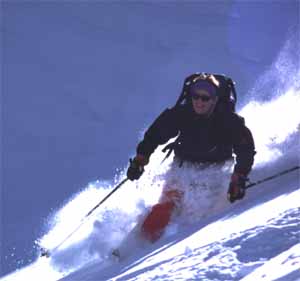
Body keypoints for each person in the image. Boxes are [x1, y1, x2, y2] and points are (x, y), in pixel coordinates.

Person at [126, 73, 255, 243]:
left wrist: (239, 176)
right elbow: (154, 135)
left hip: (214, 172)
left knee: (196, 215)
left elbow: (245, 149)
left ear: (215, 99)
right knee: (164, 208)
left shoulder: (228, 121)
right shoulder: (182, 113)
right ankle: (138, 246)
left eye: (205, 97)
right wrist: (140, 160)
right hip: (182, 169)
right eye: (195, 96)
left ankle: (186, 250)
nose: (199, 101)